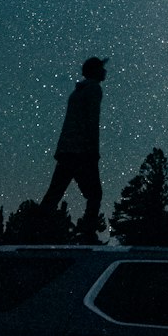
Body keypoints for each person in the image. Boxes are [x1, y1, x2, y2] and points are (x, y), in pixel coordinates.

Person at [41, 56, 107, 240]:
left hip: (66, 151)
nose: (105, 71)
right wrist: (93, 151)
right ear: (95, 71)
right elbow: (91, 121)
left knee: (54, 192)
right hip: (82, 151)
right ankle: (87, 232)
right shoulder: (94, 89)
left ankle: (32, 228)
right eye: (102, 68)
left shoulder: (77, 92)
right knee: (95, 194)